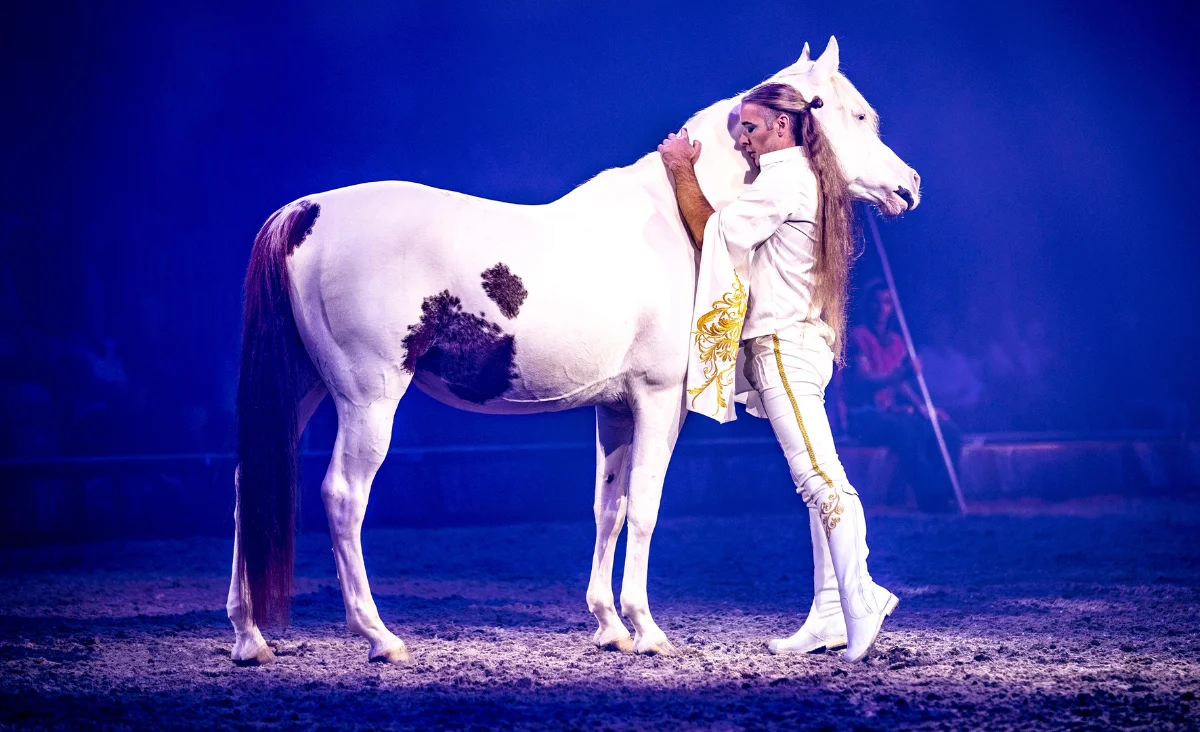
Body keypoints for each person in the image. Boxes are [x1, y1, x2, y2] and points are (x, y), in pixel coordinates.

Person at [658, 82, 897, 661]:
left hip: (784, 346)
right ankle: (829, 610)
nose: (742, 137)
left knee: (819, 477)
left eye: (752, 126)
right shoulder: (802, 177)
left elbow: (710, 230)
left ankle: (861, 597)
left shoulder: (785, 179)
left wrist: (681, 169)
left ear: (783, 127)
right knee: (818, 480)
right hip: (797, 343)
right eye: (741, 127)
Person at [846, 281, 962, 512]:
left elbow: (900, 385)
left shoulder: (897, 342)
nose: (880, 308)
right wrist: (901, 372)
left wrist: (923, 408)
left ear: (892, 308)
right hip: (863, 416)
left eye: (886, 303)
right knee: (906, 432)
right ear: (867, 305)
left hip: (890, 413)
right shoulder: (858, 337)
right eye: (876, 302)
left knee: (945, 429)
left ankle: (943, 492)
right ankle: (930, 499)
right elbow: (864, 380)